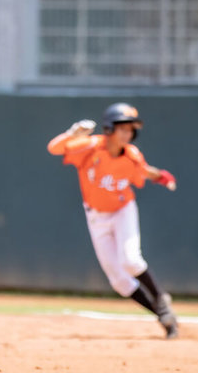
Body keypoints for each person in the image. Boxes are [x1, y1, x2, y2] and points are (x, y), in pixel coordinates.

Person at [47, 103, 180, 338]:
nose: (128, 134)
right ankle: (164, 316)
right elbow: (54, 148)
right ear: (109, 128)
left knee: (131, 260)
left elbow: (145, 171)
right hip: (96, 217)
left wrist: (162, 177)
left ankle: (160, 297)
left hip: (122, 210)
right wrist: (72, 134)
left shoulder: (131, 155)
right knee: (119, 282)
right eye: (123, 128)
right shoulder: (90, 146)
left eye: (131, 129)